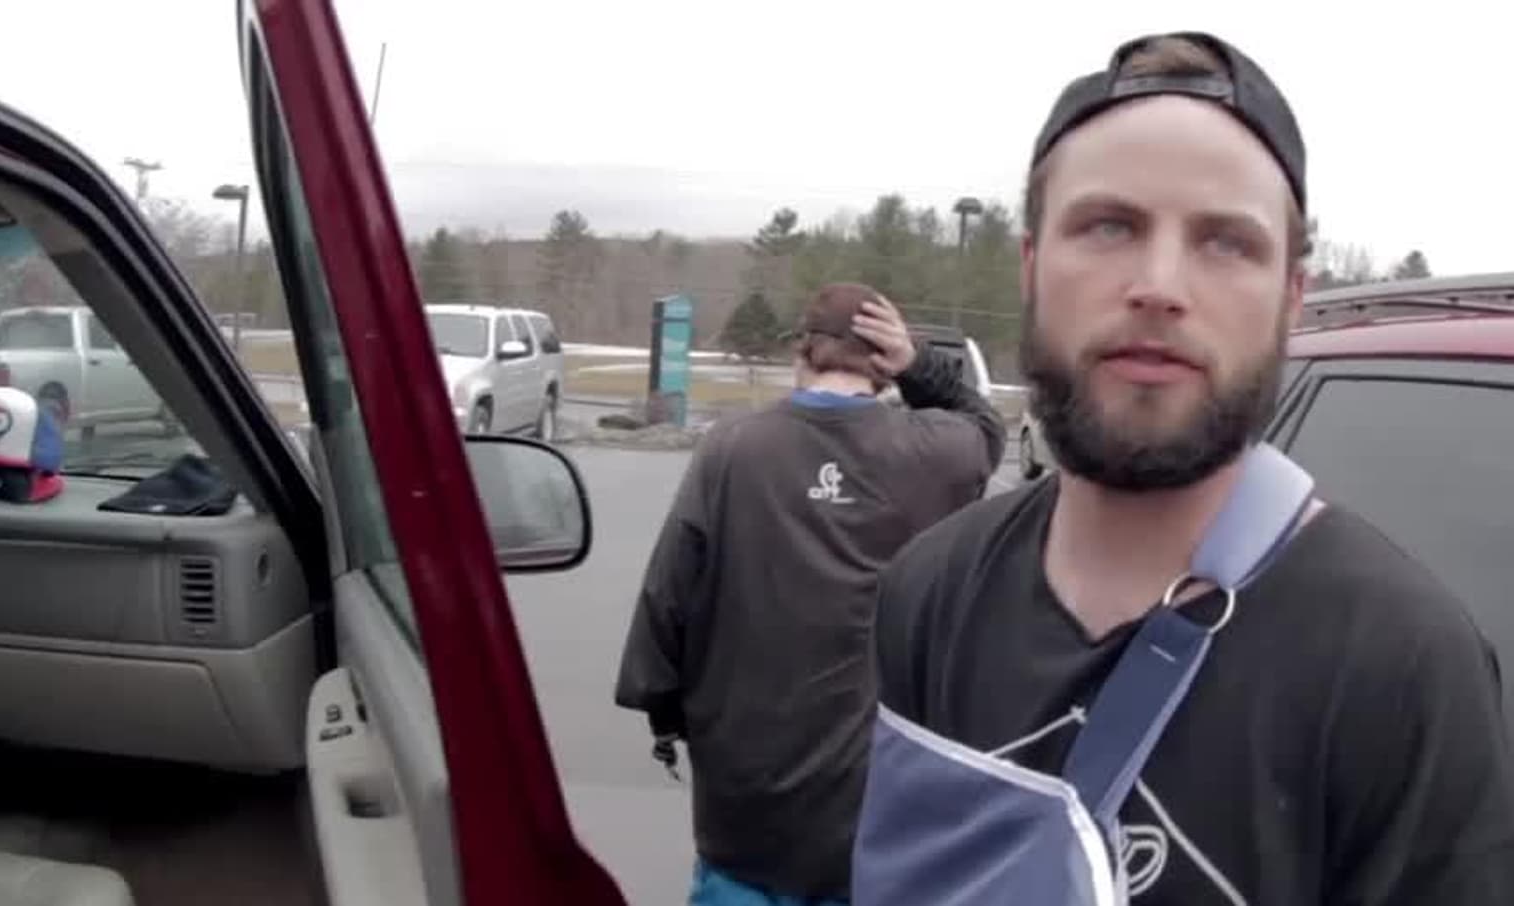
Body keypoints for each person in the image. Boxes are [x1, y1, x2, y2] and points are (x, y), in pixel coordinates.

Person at [858, 30, 1514, 904]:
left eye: (1227, 242)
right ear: (1031, 266)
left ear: (1290, 297)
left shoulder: (1406, 669)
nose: (1160, 284)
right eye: (1109, 226)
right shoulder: (931, 591)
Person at [614, 282, 1006, 905]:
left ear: (802, 350)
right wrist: (919, 366)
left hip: (746, 811)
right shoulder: (934, 453)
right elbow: (984, 425)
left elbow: (670, 591)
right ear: (881, 364)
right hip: (873, 816)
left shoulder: (733, 447)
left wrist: (663, 706)